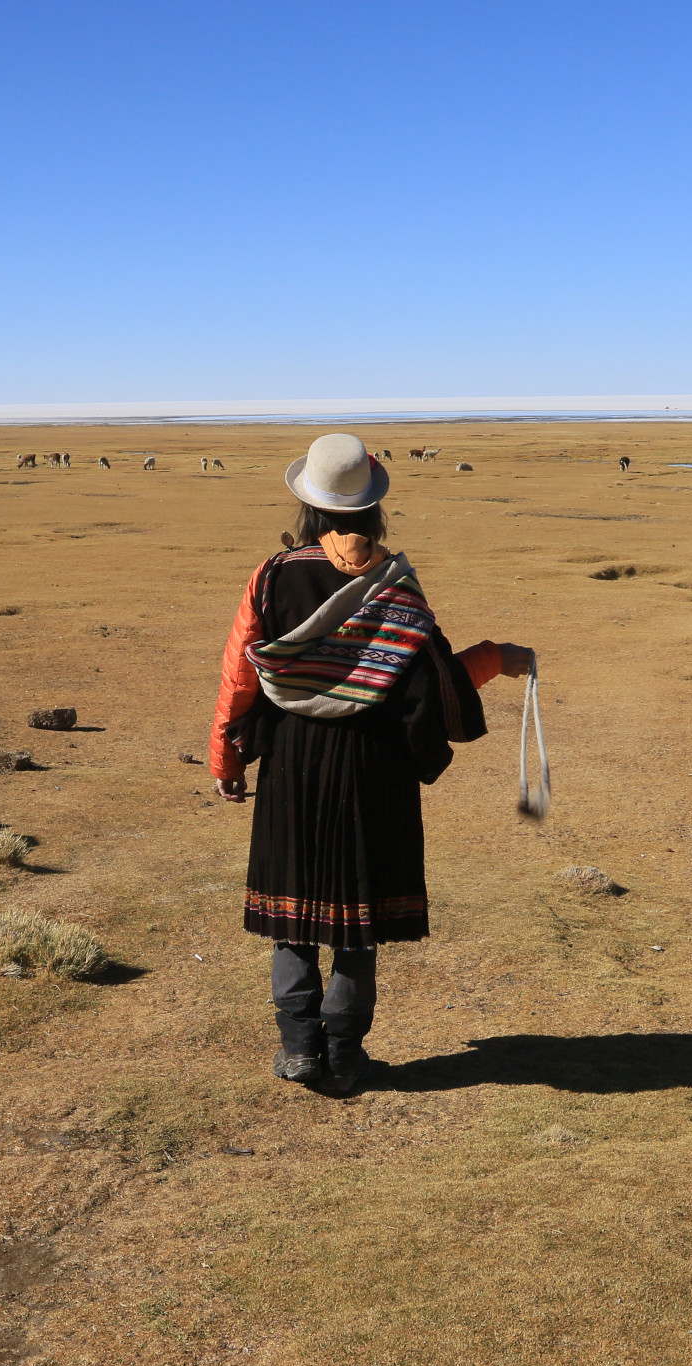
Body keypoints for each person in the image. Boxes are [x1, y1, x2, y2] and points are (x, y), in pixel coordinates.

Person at [207, 433, 536, 1094]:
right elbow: (434, 681)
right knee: (355, 920)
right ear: (374, 511)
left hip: (293, 762)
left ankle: (300, 1049)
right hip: (373, 767)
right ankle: (346, 1058)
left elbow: (239, 676)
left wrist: (226, 757)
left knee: (293, 913)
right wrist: (496, 656)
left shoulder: (271, 576)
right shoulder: (397, 587)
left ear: (306, 506)